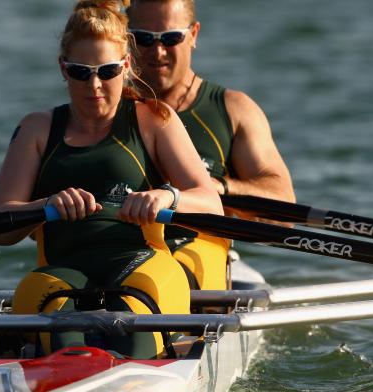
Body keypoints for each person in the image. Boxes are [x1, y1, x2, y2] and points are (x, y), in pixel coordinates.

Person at [0, 0, 223, 359]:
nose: (94, 84)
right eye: (81, 72)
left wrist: (166, 197)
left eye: (108, 71)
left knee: (133, 338)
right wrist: (45, 205)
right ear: (63, 69)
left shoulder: (154, 119)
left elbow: (211, 204)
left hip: (140, 262)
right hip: (62, 269)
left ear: (127, 66)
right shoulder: (37, 128)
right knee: (63, 339)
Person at [127, 0, 296, 291]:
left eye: (170, 38)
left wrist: (218, 188)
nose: (157, 52)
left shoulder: (234, 110)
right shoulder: (101, 110)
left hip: (197, 261)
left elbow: (283, 214)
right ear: (125, 38)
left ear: (193, 35)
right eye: (143, 39)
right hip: (119, 255)